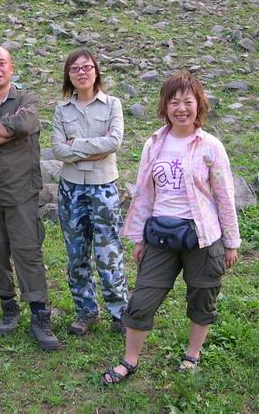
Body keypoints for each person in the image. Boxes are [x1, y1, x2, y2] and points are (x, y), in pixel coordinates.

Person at [102, 71, 240, 384]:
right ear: (165, 106)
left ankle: (192, 355)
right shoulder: (153, 144)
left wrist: (231, 243)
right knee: (142, 300)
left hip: (202, 237)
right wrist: (139, 238)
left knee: (202, 296)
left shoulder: (210, 146)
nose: (181, 108)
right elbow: (144, 193)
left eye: (188, 102)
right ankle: (129, 361)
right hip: (160, 236)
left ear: (198, 105)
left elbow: (224, 196)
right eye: (174, 102)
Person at [0, 45, 61, 350]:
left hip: (21, 191)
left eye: (1, 63)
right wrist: (10, 129)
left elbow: (27, 124)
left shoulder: (27, 99)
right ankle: (8, 306)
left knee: (28, 251)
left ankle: (39, 315)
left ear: (11, 67)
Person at [51, 49, 128, 335]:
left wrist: (76, 147)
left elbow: (114, 142)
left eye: (87, 67)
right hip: (71, 188)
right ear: (68, 76)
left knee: (109, 251)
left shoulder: (112, 105)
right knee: (76, 253)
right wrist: (96, 148)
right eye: (75, 69)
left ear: (96, 72)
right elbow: (58, 150)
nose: (81, 72)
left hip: (104, 187)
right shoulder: (62, 110)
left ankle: (120, 313)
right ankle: (86, 312)